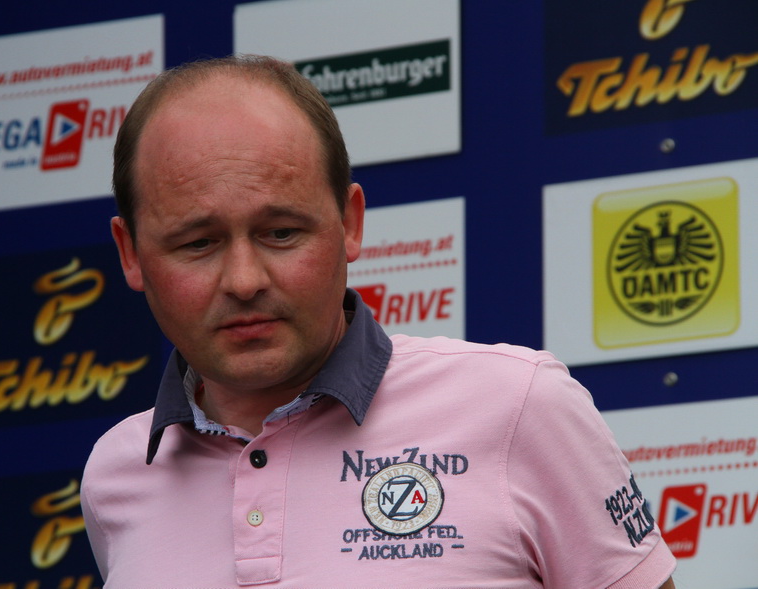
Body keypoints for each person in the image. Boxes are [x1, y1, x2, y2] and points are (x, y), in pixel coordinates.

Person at [80, 55, 676, 588]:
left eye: (281, 232)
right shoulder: (116, 473)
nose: (243, 279)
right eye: (198, 243)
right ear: (130, 253)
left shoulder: (521, 407)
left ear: (350, 223)